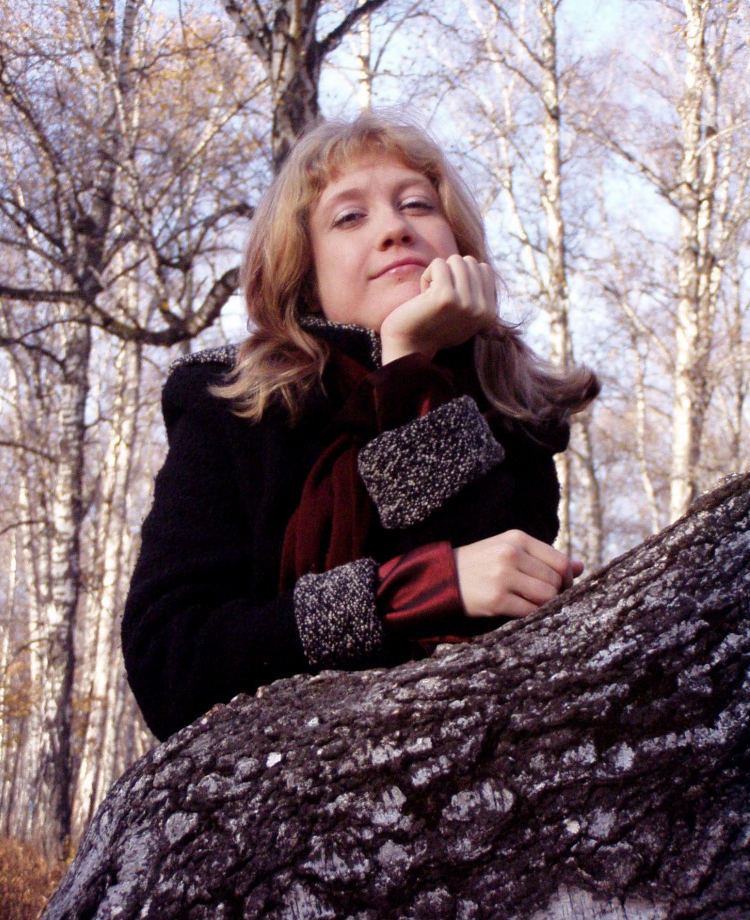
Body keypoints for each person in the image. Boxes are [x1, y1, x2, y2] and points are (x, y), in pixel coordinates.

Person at [122, 111, 600, 741]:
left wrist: (409, 368)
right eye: (350, 217)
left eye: (418, 205)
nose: (395, 228)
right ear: (305, 272)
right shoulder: (231, 404)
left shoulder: (513, 411)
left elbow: (484, 651)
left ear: (459, 246)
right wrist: (417, 589)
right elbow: (170, 664)